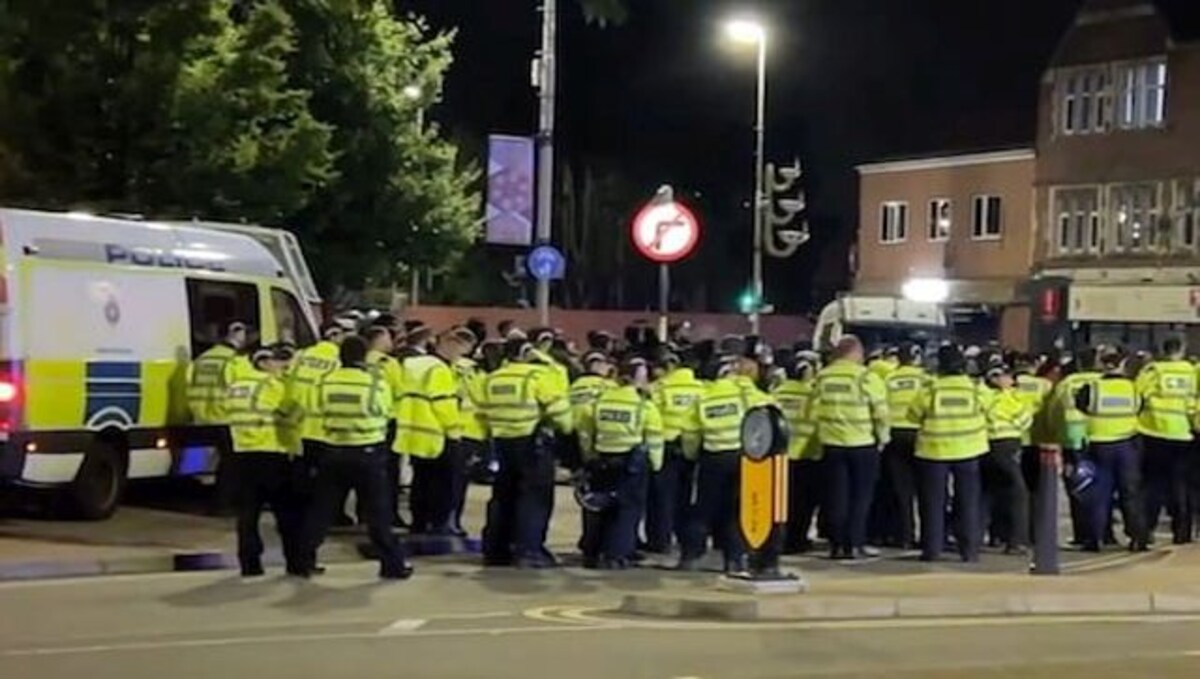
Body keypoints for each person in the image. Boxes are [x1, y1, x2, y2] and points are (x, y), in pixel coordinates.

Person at [300, 335, 412, 580]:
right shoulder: (374, 384)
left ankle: (303, 561)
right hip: (367, 453)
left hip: (333, 450)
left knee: (321, 510)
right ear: (363, 357)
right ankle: (392, 564)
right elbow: (385, 412)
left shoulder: (324, 382)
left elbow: (315, 409)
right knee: (378, 513)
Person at [479, 336, 573, 568]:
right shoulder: (537, 376)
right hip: (532, 444)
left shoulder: (492, 379)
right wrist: (566, 429)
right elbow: (560, 412)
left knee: (503, 497)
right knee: (535, 499)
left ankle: (496, 550)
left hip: (502, 443)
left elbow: (481, 413)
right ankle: (528, 550)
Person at [224, 343, 305, 577]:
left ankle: (250, 564)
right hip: (272, 454)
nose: (278, 366)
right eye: (273, 361)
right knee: (286, 513)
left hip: (242, 454)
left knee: (248, 515)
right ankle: (295, 563)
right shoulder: (269, 385)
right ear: (262, 363)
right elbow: (288, 414)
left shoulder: (236, 387)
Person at [577, 358, 665, 569]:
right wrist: (655, 464)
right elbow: (654, 437)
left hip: (602, 460)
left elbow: (586, 432)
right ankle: (617, 555)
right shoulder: (643, 405)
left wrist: (589, 456)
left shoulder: (599, 402)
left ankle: (592, 551)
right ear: (637, 379)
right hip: (631, 463)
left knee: (599, 507)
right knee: (628, 510)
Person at [909, 344, 991, 563]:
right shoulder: (975, 388)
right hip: (968, 450)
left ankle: (932, 549)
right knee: (968, 502)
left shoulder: (931, 389)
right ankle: (969, 550)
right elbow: (990, 407)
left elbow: (913, 414)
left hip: (933, 451)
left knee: (932, 503)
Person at [812, 335, 889, 560]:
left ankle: (836, 545)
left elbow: (814, 410)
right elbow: (881, 412)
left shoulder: (822, 377)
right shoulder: (865, 377)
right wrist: (883, 438)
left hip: (832, 443)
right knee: (860, 497)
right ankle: (854, 544)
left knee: (836, 496)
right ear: (855, 353)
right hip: (861, 443)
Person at [396, 327, 474, 535]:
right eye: (459, 349)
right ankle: (439, 526)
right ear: (450, 345)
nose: (460, 355)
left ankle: (419, 523)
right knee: (443, 484)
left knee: (421, 482)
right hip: (438, 434)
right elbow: (443, 404)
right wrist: (454, 432)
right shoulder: (438, 369)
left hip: (416, 434)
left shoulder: (414, 365)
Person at [1077, 348, 1149, 552]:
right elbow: (1140, 407)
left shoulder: (1092, 388)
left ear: (1102, 365)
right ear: (1122, 365)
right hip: (1126, 445)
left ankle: (1095, 538)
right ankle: (1137, 538)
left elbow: (1081, 406)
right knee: (1130, 493)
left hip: (1099, 444)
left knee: (1099, 493)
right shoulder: (1132, 389)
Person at [289, 321, 350, 524]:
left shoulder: (301, 355)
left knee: (301, 474)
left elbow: (288, 383)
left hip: (299, 425)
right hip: (325, 428)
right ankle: (330, 515)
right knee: (328, 479)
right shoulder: (337, 359)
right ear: (333, 336)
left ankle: (299, 512)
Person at [1137, 337, 1196, 545]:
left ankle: (1145, 531)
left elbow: (1138, 395)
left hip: (1153, 431)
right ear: (1182, 349)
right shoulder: (1191, 371)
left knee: (1153, 484)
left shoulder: (1153, 370)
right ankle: (1182, 532)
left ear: (1163, 350)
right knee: (1180, 484)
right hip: (1182, 433)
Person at [645, 349, 704, 554]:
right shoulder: (700, 387)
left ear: (668, 367)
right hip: (691, 446)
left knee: (661, 497)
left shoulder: (659, 388)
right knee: (685, 496)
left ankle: (659, 540)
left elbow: (651, 416)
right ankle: (683, 536)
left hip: (666, 447)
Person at [879, 343, 928, 549]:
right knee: (925, 489)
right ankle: (926, 535)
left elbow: (882, 407)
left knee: (901, 489)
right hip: (920, 435)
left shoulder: (889, 379)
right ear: (917, 358)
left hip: (894, 435)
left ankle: (904, 536)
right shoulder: (926, 379)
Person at [773, 350, 822, 553]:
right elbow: (818, 423)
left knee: (781, 502)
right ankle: (798, 540)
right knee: (803, 504)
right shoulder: (811, 395)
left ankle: (780, 539)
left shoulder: (776, 394)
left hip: (780, 455)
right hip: (806, 454)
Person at [982, 364, 1032, 554]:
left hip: (988, 446)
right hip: (1003, 446)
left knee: (988, 493)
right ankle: (1016, 541)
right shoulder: (1007, 397)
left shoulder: (984, 394)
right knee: (1017, 494)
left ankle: (990, 536)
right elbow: (1024, 420)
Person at [1054, 348, 1103, 545]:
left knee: (1076, 488)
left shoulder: (1067, 383)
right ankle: (1102, 532)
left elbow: (1054, 410)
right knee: (1101, 486)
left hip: (1072, 440)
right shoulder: (1102, 382)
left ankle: (1081, 533)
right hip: (1098, 437)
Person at [364, 326, 407, 527]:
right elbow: (401, 390)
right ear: (379, 339)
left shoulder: (360, 360)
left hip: (365, 422)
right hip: (388, 421)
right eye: (389, 337)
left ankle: (364, 513)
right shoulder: (389, 364)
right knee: (389, 473)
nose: (391, 341)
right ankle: (388, 515)